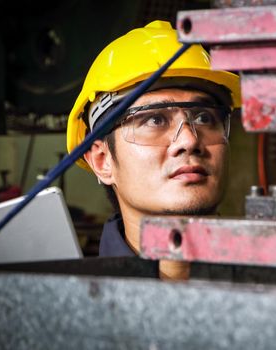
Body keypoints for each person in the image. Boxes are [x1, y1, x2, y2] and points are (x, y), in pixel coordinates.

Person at [66, 20, 240, 279]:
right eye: (154, 120)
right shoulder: (73, 305)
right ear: (103, 161)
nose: (189, 140)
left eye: (204, 118)